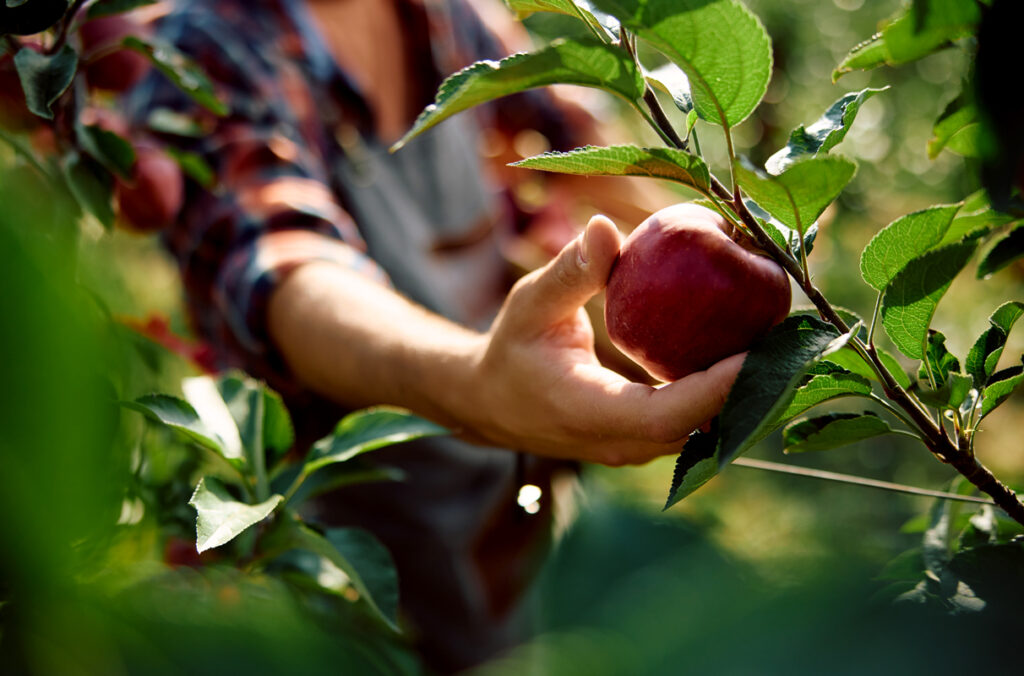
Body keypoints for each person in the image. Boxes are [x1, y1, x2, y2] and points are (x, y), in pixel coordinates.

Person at [119, 0, 744, 670]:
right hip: (358, 555)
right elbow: (285, 273)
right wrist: (479, 382)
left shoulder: (443, 12)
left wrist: (734, 252)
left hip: (518, 498)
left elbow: (586, 146)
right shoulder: (210, 45)